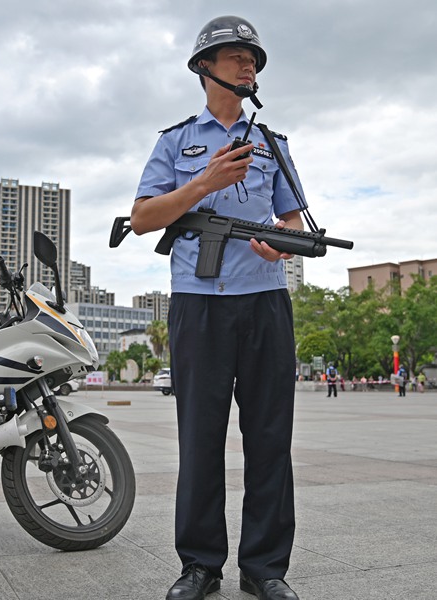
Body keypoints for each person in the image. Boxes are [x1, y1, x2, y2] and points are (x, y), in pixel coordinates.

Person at [130, 15, 303, 600]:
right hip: (199, 307)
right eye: (236, 55)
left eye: (253, 57)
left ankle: (265, 568)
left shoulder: (271, 145)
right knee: (200, 437)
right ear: (205, 67)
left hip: (265, 304)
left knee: (269, 436)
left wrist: (279, 242)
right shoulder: (176, 142)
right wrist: (201, 184)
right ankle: (200, 565)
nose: (248, 63)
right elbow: (142, 218)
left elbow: (292, 220)